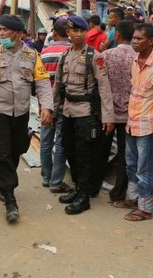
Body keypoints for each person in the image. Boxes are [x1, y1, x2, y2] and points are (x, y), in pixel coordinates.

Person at [0, 14, 53, 223]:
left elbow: (42, 82)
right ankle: (10, 197)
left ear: (17, 33)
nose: (2, 33)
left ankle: (3, 184)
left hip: (21, 113)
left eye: (5, 30)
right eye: (1, 30)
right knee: (3, 151)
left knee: (17, 150)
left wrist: (46, 107)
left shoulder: (32, 55)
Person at [52, 15, 115, 214]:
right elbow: (58, 87)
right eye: (75, 31)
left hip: (86, 114)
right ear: (68, 32)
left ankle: (84, 196)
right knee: (70, 152)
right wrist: (53, 111)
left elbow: (104, 88)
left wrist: (108, 117)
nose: (79, 34)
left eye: (82, 31)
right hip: (68, 112)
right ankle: (78, 189)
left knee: (85, 156)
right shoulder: (65, 56)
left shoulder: (94, 56)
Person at [117, 23, 153, 221]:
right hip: (132, 123)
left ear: (151, 41)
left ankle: (145, 208)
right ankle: (133, 199)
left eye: (139, 39)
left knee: (146, 168)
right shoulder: (135, 60)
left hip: (148, 126)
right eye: (133, 38)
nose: (134, 41)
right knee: (132, 164)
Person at [102, 20, 137, 203]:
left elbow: (99, 84)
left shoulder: (106, 55)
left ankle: (92, 185)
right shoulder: (138, 57)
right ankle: (119, 192)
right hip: (130, 113)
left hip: (108, 112)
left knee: (101, 150)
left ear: (116, 35)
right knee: (125, 155)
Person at [39, 19, 72, 193]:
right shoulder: (71, 52)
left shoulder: (43, 53)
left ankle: (46, 177)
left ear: (55, 33)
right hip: (65, 104)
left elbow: (38, 81)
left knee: (45, 142)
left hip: (46, 104)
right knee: (60, 143)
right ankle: (56, 181)